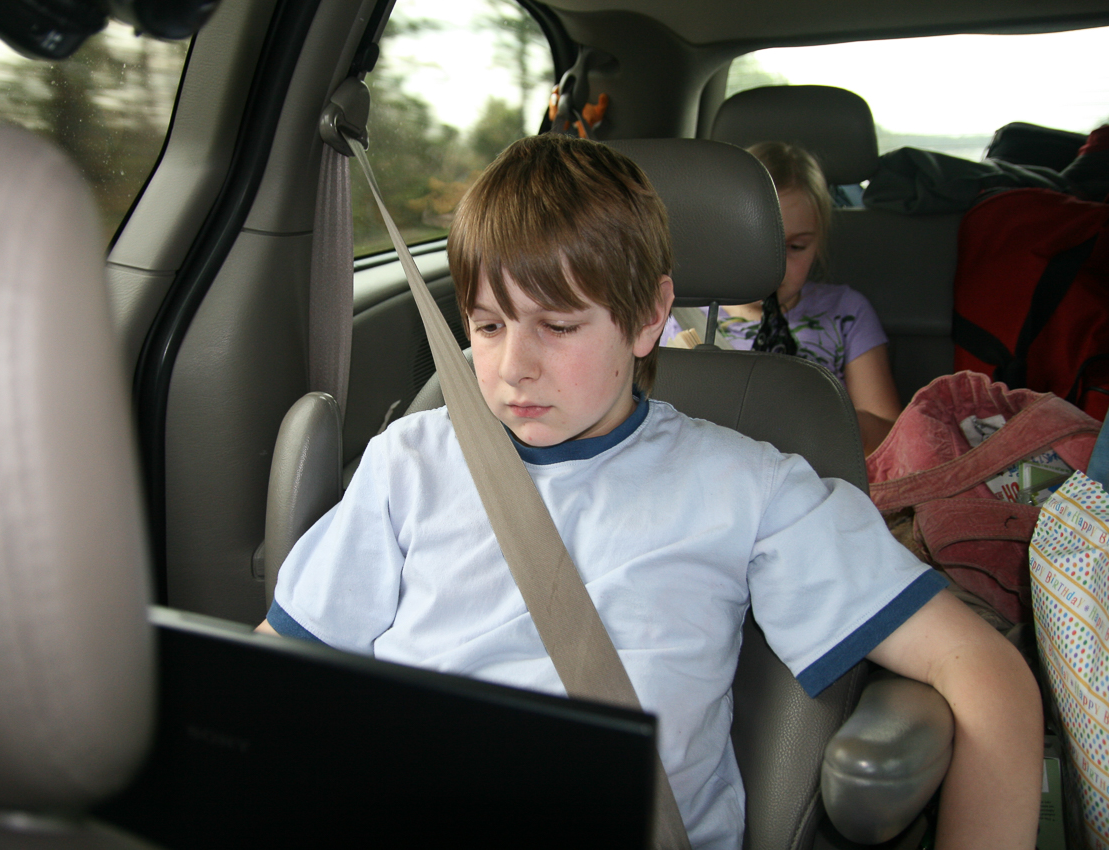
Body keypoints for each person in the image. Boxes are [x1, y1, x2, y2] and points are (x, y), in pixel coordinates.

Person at [259, 135, 1040, 849]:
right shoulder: (411, 459)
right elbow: (279, 674)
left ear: (647, 319)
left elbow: (983, 674)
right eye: (488, 325)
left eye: (558, 326)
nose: (511, 367)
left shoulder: (747, 488)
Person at [661, 141, 901, 454]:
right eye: (758, 246)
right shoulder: (672, 314)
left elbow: (891, 436)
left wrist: (811, 417)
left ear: (819, 244)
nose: (776, 267)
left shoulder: (846, 312)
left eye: (796, 247)